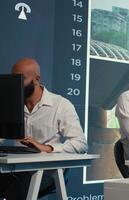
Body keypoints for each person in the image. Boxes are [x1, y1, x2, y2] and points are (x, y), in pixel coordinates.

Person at [0, 58, 88, 200]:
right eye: (14, 79)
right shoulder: (9, 103)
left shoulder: (61, 105)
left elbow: (81, 144)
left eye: (21, 79)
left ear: (37, 79)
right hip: (15, 168)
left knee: (15, 187)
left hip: (47, 171)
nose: (15, 84)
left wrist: (46, 148)